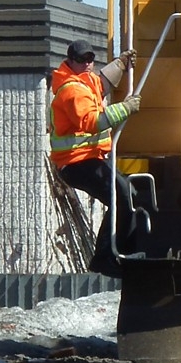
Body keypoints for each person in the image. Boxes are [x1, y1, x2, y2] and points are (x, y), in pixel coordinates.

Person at [48, 40, 142, 277]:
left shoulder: (84, 80)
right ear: (71, 61)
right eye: (82, 59)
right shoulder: (71, 90)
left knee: (128, 195)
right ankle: (105, 259)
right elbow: (92, 122)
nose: (88, 63)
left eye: (90, 58)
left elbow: (101, 84)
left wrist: (120, 64)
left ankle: (125, 253)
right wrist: (126, 108)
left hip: (89, 159)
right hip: (76, 162)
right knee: (122, 197)